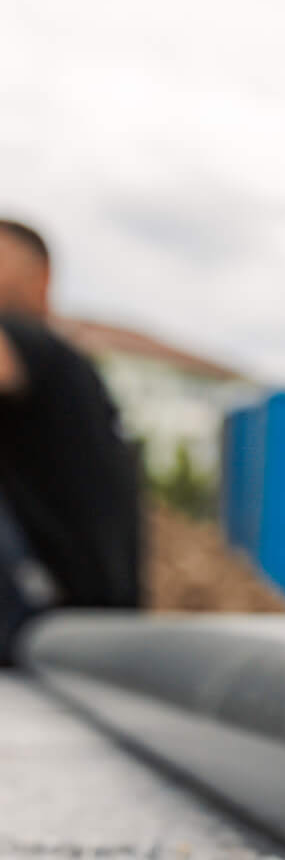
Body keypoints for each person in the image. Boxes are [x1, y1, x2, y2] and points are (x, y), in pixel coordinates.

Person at [0, 219, 141, 663]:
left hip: (45, 621)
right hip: (100, 624)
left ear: (38, 276)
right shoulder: (70, 366)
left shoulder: (26, 339)